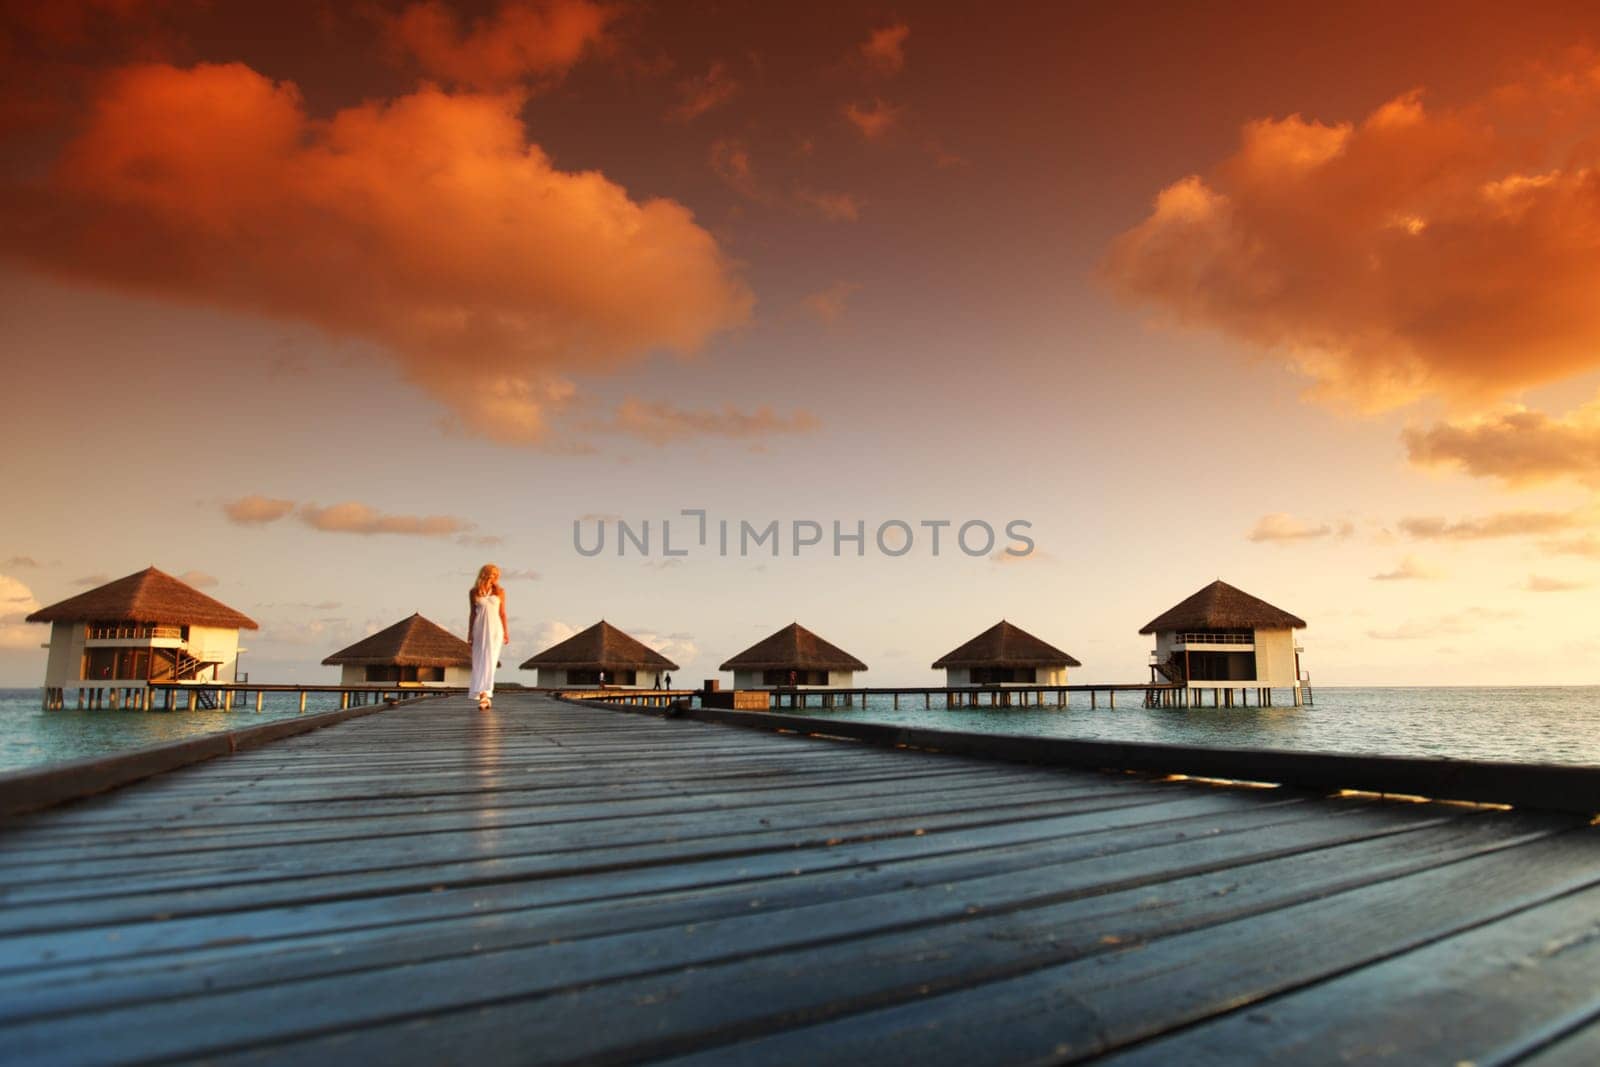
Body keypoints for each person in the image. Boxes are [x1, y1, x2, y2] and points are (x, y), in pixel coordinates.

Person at [468, 563, 508, 710]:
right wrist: (470, 633)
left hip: (496, 629)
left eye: (496, 575)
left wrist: (506, 632)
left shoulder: (500, 591)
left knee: (491, 661)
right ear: (485, 574)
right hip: (479, 629)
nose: (494, 578)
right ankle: (482, 694)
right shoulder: (474, 592)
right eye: (492, 574)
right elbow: (472, 614)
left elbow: (502, 613)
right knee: (479, 660)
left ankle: (485, 694)